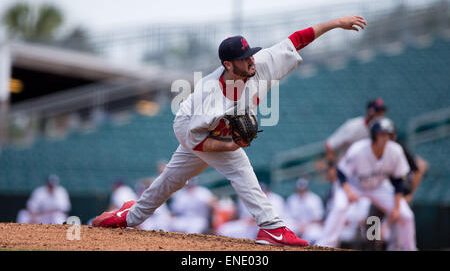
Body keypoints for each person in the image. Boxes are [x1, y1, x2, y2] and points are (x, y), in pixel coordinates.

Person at [92, 15, 367, 247]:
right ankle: (271, 227)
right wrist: (232, 146)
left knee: (170, 182)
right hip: (191, 129)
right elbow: (197, 142)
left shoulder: (260, 65)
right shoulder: (209, 95)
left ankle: (130, 216)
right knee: (240, 169)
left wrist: (337, 23)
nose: (251, 60)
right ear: (228, 65)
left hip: (215, 132)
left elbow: (297, 40)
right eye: (244, 58)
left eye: (250, 54)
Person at [316, 118, 417, 250]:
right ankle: (325, 245)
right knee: (340, 207)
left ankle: (410, 248)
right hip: (354, 185)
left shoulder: (396, 151)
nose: (385, 138)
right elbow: (341, 173)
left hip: (379, 187)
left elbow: (399, 181)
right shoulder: (358, 149)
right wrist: (348, 191)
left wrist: (397, 207)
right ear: (374, 135)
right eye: (382, 134)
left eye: (388, 135)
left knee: (406, 215)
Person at [286, 177, 324, 244]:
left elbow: (318, 218)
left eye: (303, 189)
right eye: (300, 189)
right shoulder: (292, 199)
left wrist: (305, 226)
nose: (301, 191)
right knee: (286, 229)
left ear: (307, 188)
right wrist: (299, 225)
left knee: (316, 234)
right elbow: (289, 216)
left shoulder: (315, 199)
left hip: (311, 225)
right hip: (296, 224)